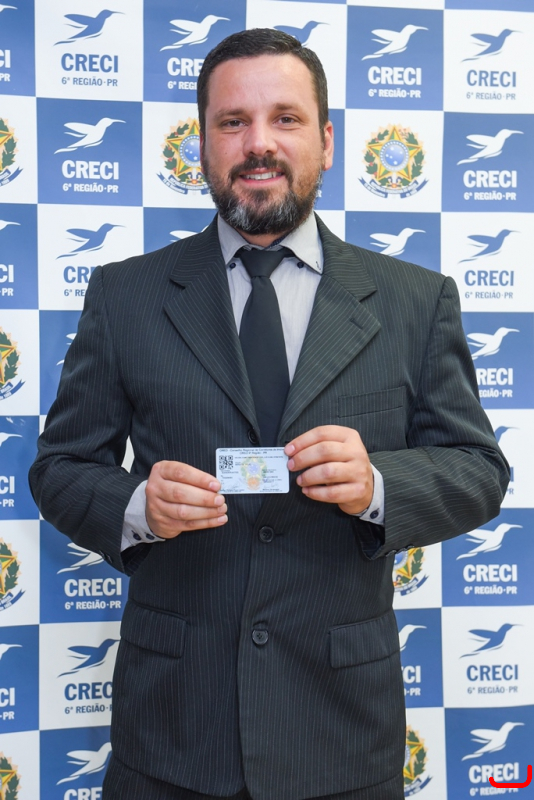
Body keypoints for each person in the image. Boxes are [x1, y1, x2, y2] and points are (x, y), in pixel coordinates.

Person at [30, 28, 508, 800]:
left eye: (285, 118)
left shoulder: (416, 301)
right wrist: (138, 505)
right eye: (233, 122)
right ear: (202, 146)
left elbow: (479, 470)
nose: (259, 144)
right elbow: (58, 468)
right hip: (171, 734)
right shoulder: (125, 296)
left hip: (342, 737)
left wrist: (378, 484)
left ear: (326, 141)